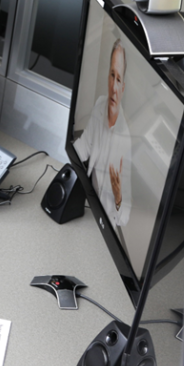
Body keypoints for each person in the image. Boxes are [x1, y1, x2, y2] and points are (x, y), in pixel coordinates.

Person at [73, 38, 132, 229]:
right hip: (87, 202)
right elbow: (84, 147)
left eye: (119, 79)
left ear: (123, 88)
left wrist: (118, 197)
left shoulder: (126, 142)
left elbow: (124, 217)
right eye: (112, 75)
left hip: (102, 223)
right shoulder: (100, 104)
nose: (114, 87)